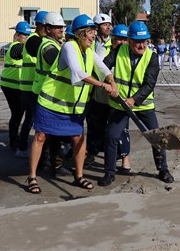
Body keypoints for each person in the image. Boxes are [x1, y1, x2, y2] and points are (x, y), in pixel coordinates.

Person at [26, 14, 117, 194]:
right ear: (81, 33)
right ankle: (32, 177)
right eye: (91, 32)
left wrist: (111, 81)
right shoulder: (69, 46)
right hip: (51, 103)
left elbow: (103, 69)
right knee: (41, 137)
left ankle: (79, 176)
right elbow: (77, 72)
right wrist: (102, 85)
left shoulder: (89, 51)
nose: (93, 36)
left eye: (94, 32)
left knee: (78, 138)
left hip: (72, 106)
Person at [99, 21, 175, 186]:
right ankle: (109, 173)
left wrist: (134, 100)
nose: (141, 45)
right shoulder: (119, 50)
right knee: (111, 137)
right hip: (119, 105)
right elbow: (103, 67)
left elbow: (149, 84)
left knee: (157, 138)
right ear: (129, 40)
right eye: (137, 42)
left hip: (143, 106)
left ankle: (163, 170)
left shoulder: (152, 57)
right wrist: (107, 83)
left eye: (144, 41)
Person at [30, 12, 72, 177]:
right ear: (47, 29)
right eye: (57, 27)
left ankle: (47, 163)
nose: (61, 30)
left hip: (44, 93)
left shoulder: (52, 43)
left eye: (61, 27)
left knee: (47, 134)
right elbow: (61, 65)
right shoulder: (48, 46)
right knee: (50, 134)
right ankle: (52, 165)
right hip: (46, 95)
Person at [85, 24, 132, 172]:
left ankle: (125, 158)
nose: (122, 43)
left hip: (119, 100)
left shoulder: (128, 54)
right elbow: (97, 69)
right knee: (96, 128)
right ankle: (91, 154)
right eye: (119, 39)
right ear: (113, 39)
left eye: (125, 40)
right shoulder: (102, 50)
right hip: (101, 97)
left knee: (122, 130)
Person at [16, 10, 49, 158]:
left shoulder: (39, 40)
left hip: (34, 86)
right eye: (46, 26)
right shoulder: (34, 40)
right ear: (40, 25)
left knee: (31, 118)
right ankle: (22, 148)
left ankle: (23, 146)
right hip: (30, 87)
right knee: (30, 119)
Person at [85, 13, 114, 163]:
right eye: (104, 24)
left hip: (111, 89)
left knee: (112, 127)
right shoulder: (91, 43)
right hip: (94, 90)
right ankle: (91, 153)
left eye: (109, 24)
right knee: (94, 125)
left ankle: (114, 155)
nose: (108, 26)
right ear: (96, 28)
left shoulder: (115, 43)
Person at [0, 21, 32, 150]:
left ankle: (17, 139)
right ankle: (13, 141)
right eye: (24, 35)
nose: (27, 37)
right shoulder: (16, 47)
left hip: (19, 86)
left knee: (21, 112)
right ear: (17, 35)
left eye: (29, 35)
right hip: (10, 86)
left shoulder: (24, 46)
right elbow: (24, 52)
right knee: (17, 113)